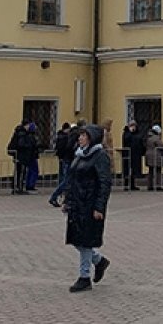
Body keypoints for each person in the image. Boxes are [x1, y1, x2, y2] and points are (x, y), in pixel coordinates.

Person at [63, 124, 112, 292]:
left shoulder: (100, 156)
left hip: (90, 204)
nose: (80, 138)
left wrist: (99, 207)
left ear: (92, 138)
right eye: (80, 135)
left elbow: (104, 183)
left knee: (85, 241)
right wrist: (67, 200)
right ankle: (99, 261)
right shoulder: (79, 155)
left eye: (83, 135)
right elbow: (72, 179)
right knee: (76, 239)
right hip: (77, 204)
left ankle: (84, 277)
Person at [145, 125, 163, 191]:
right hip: (156, 156)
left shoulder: (149, 137)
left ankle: (150, 186)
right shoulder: (156, 138)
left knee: (150, 171)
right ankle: (158, 186)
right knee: (158, 171)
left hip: (149, 156)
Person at [123, 121, 145, 191]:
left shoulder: (138, 133)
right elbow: (126, 140)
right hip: (128, 154)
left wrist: (142, 151)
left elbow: (140, 141)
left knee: (134, 170)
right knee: (127, 169)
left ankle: (132, 185)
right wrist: (130, 132)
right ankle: (126, 185)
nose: (133, 127)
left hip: (136, 154)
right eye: (132, 125)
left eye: (134, 125)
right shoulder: (126, 133)